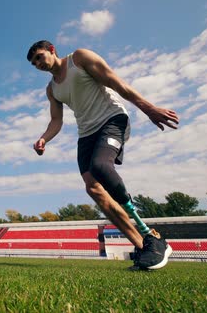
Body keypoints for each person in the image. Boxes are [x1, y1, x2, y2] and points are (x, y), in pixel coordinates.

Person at [27, 40, 179, 270]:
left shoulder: (79, 59)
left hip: (111, 119)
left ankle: (152, 236)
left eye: (39, 57)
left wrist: (148, 108)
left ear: (52, 50)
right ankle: (142, 248)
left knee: (100, 166)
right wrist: (44, 138)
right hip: (86, 134)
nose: (37, 64)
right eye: (33, 63)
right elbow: (56, 120)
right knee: (94, 188)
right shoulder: (52, 89)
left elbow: (115, 82)